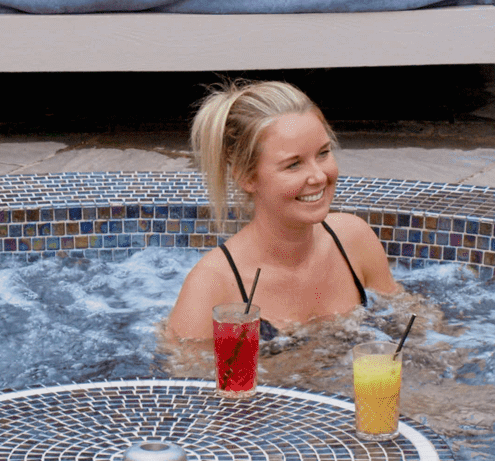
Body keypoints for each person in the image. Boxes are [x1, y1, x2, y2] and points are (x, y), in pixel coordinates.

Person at [166, 79, 399, 339]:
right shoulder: (211, 286)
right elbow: (181, 364)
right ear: (246, 177)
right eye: (293, 165)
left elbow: (409, 325)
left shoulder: (354, 240)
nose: (319, 176)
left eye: (323, 153)